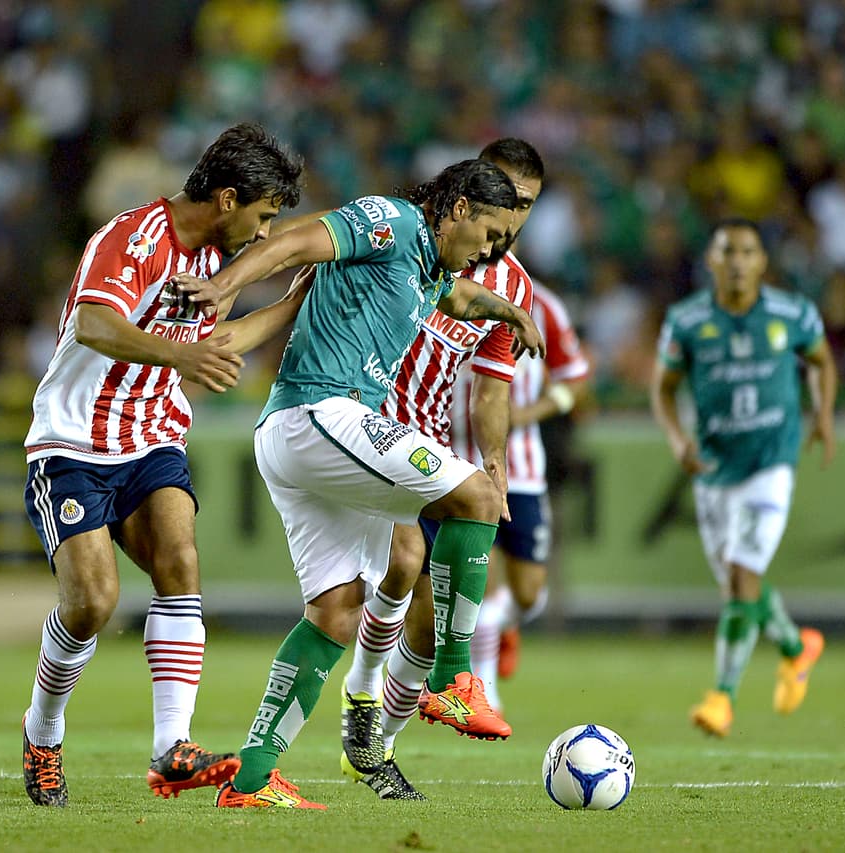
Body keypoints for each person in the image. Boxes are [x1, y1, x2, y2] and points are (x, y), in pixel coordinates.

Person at [174, 158, 545, 809]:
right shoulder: (393, 221)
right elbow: (298, 238)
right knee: (479, 495)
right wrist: (227, 283)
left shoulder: (429, 269)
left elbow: (459, 299)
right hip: (323, 412)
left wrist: (508, 309)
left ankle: (252, 776)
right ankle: (456, 675)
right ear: (457, 208)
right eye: (486, 234)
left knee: (338, 609)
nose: (490, 250)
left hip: (296, 438)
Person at [19, 122, 306, 807]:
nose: (265, 235)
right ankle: (43, 728)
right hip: (73, 443)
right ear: (229, 199)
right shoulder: (133, 237)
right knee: (93, 602)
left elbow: (222, 336)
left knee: (180, 557)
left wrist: (294, 302)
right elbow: (93, 323)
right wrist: (182, 357)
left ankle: (170, 747)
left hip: (152, 438)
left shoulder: (219, 261)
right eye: (264, 217)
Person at [332, 139, 553, 801]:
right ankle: (376, 694)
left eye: (530, 206)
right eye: (508, 200)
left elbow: (490, 387)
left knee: (424, 614)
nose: (515, 220)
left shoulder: (514, 286)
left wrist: (493, 458)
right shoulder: (416, 245)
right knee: (389, 574)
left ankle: (375, 743)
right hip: (359, 415)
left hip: (423, 438)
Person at [650, 218, 838, 738]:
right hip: (713, 468)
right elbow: (662, 389)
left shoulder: (792, 312)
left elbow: (822, 360)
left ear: (762, 262)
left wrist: (823, 413)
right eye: (727, 251)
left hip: (771, 463)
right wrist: (677, 439)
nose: (737, 261)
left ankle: (721, 698)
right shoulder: (686, 321)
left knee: (739, 575)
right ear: (711, 260)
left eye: (748, 252)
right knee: (741, 584)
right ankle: (798, 648)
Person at [463, 282, 590, 712]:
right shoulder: (449, 291)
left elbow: (575, 378)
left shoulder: (545, 305)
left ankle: (502, 630)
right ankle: (486, 692)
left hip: (525, 472)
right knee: (483, 584)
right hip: (462, 465)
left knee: (530, 595)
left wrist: (528, 414)